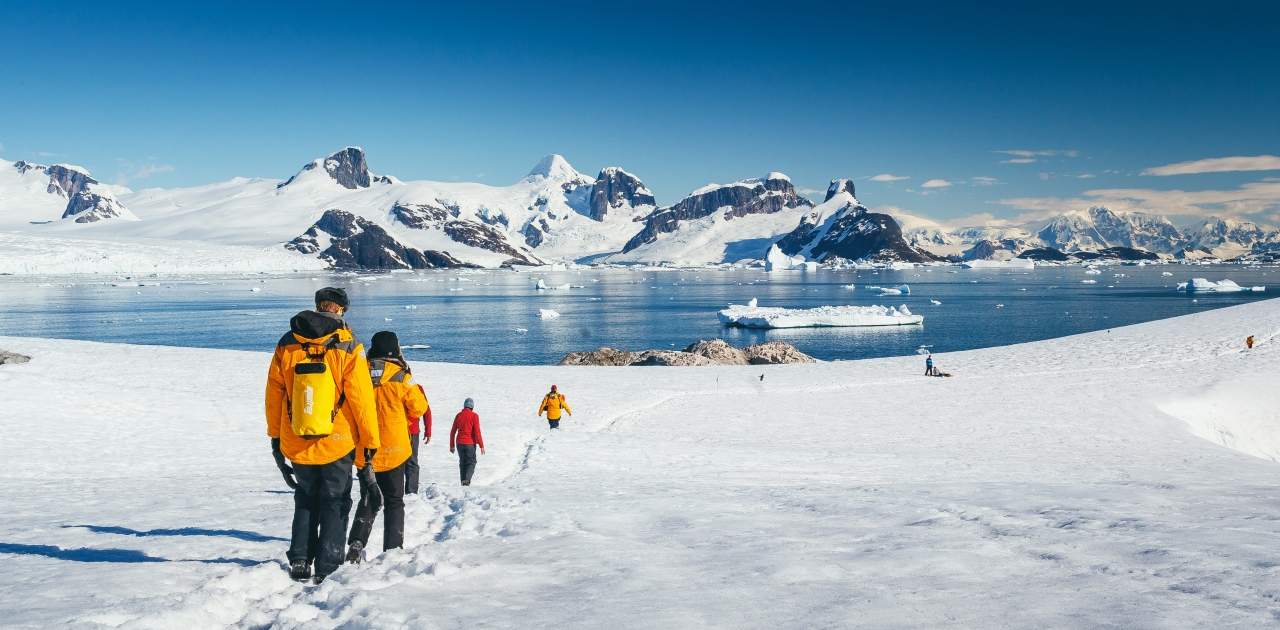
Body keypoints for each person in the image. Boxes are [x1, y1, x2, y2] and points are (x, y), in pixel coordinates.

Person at [266, 287, 379, 583]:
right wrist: (370, 442)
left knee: (305, 497)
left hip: (297, 437)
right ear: (340, 310)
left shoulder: (288, 343)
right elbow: (362, 401)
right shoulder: (348, 345)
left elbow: (274, 394)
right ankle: (328, 566)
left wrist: (275, 436)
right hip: (337, 442)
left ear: (318, 306)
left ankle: (300, 559)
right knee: (335, 500)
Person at [345, 331, 428, 564]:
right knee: (394, 501)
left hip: (365, 450)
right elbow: (419, 407)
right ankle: (392, 550)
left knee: (368, 497)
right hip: (394, 450)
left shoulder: (359, 371)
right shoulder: (401, 376)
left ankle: (356, 543)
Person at [449, 398, 485, 486]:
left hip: (459, 443)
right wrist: (481, 445)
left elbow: (452, 432)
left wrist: (452, 445)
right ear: (472, 407)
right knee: (471, 462)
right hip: (470, 444)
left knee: (462, 462)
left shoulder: (458, 415)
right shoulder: (474, 416)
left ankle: (463, 482)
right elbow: (477, 432)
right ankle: (466, 480)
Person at [404, 383, 431, 495]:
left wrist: (428, 430)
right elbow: (426, 410)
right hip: (411, 431)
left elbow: (426, 410)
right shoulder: (416, 387)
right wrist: (428, 430)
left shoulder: (390, 384)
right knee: (411, 462)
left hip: (397, 430)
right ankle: (411, 493)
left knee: (396, 463)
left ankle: (403, 493)